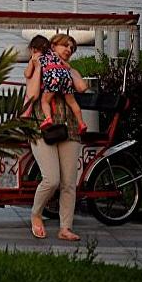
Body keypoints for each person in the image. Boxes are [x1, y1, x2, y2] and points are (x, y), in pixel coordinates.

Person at [25, 33, 88, 242]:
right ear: (52, 46)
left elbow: (81, 87)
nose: (69, 50)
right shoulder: (39, 64)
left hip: (69, 128)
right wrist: (39, 65)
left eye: (72, 48)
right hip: (43, 127)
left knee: (69, 183)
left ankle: (65, 227)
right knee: (51, 179)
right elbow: (33, 93)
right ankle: (36, 214)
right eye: (65, 46)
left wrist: (68, 68)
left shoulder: (67, 69)